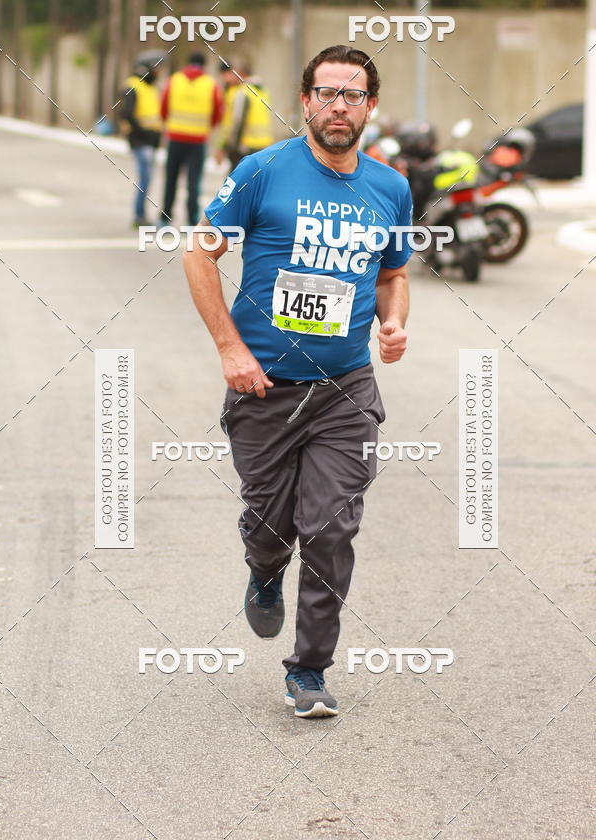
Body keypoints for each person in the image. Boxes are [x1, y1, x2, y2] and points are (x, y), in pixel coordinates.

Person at [183, 45, 413, 719]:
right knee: (269, 524)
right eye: (326, 92)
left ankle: (308, 669)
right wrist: (229, 348)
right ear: (306, 100)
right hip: (263, 388)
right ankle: (263, 569)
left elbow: (394, 274)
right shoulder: (262, 172)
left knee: (331, 526)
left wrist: (394, 324)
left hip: (346, 389)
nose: (338, 105)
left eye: (352, 94)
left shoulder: (389, 187)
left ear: (370, 106)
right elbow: (200, 249)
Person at [159, 52, 223, 227]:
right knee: (193, 182)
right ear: (204, 65)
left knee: (171, 179)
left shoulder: (174, 80)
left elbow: (163, 108)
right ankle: (190, 220)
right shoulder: (211, 84)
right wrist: (205, 128)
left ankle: (165, 218)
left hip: (175, 138)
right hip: (198, 140)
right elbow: (217, 114)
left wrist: (172, 125)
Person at [119, 51, 163, 228]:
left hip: (150, 141)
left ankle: (141, 214)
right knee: (144, 178)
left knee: (147, 178)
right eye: (156, 68)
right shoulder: (132, 86)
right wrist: (145, 133)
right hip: (140, 141)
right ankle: (139, 216)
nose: (159, 72)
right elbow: (127, 115)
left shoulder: (150, 88)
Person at [216, 60, 274, 169]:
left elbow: (238, 121)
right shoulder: (263, 91)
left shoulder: (242, 92)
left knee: (237, 181)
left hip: (244, 146)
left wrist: (229, 147)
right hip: (263, 144)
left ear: (240, 73)